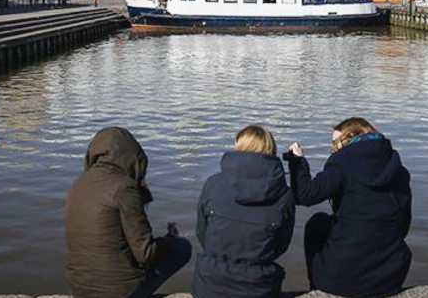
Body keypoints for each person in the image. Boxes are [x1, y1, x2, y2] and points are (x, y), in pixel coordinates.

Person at [285, 118, 412, 298]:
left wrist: (297, 161)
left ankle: (316, 289)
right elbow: (403, 226)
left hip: (340, 280)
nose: (333, 149)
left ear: (350, 138)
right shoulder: (398, 170)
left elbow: (305, 195)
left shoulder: (342, 163)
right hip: (390, 277)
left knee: (317, 223)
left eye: (335, 143)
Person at [66, 127, 191, 298]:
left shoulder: (79, 183)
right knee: (182, 247)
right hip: (119, 292)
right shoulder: (124, 188)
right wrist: (169, 240)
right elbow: (145, 254)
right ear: (132, 157)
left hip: (80, 289)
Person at [192, 125, 295, 298]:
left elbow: (202, 232)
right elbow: (281, 244)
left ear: (238, 146)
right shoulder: (284, 194)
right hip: (259, 288)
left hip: (209, 286)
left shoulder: (213, 184)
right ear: (271, 149)